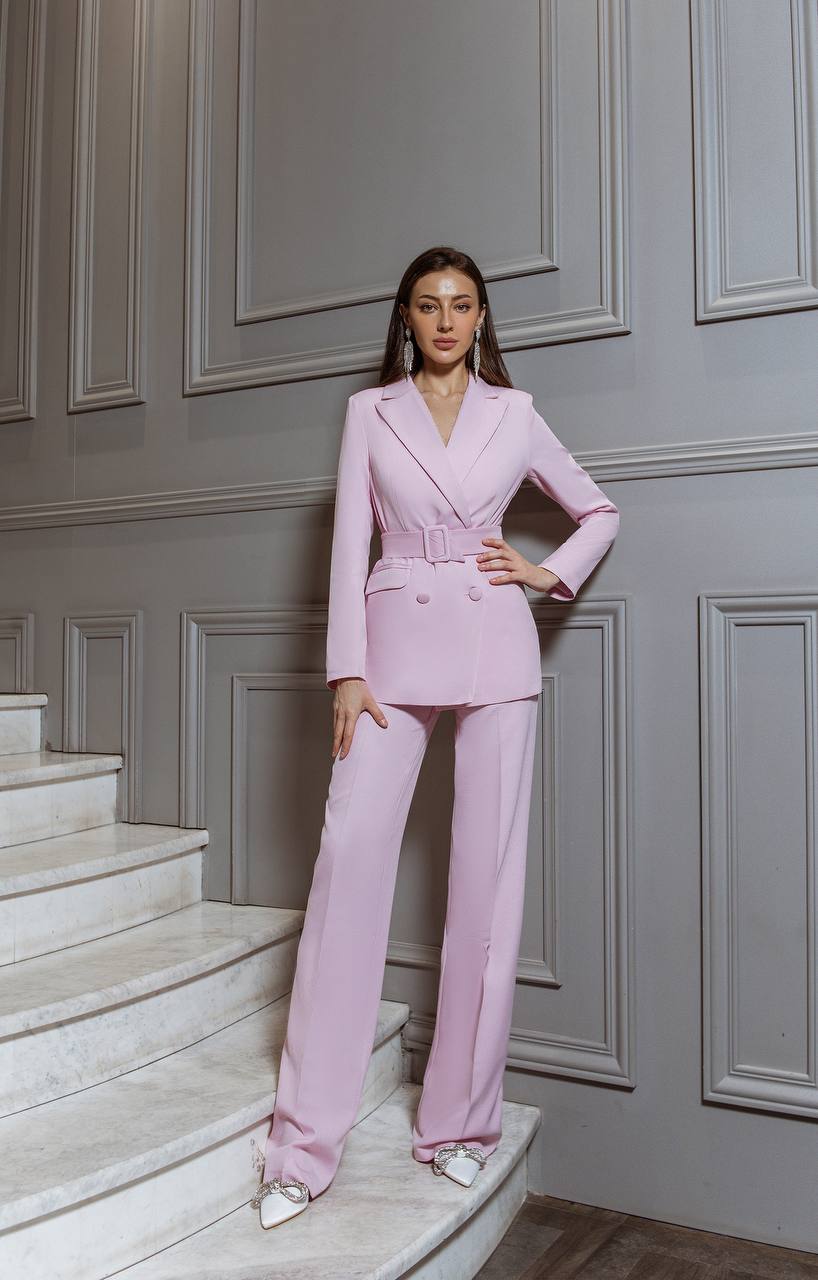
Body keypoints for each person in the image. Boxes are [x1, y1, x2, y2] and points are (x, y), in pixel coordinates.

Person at [252, 245, 620, 1228]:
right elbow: (346, 546)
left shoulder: (516, 410)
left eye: (461, 305)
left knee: (486, 891)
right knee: (345, 867)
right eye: (428, 305)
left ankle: (457, 1125)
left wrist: (545, 571)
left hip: (495, 649)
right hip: (391, 647)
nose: (446, 320)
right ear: (406, 318)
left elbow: (597, 507)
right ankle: (300, 1144)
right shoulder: (368, 412)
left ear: (481, 317)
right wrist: (345, 668)